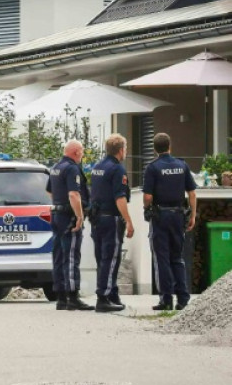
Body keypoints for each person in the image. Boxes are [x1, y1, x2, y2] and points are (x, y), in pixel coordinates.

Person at [143, 132, 197, 311]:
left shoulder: (153, 167)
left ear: (154, 148)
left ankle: (166, 299)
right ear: (169, 146)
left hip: (160, 217)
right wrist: (193, 215)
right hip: (178, 215)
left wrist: (146, 209)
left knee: (161, 258)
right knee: (177, 257)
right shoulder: (182, 165)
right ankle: (183, 298)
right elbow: (192, 193)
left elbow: (148, 196)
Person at [47, 140, 95, 311]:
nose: (82, 154)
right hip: (69, 217)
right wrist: (79, 216)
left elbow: (49, 191)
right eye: (81, 151)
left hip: (57, 215)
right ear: (75, 152)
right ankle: (73, 297)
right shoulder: (72, 168)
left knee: (59, 256)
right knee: (72, 256)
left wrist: (58, 203)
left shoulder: (55, 168)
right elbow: (74, 194)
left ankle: (61, 298)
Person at [89, 134, 134, 313]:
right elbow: (120, 198)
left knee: (102, 257)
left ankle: (112, 294)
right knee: (111, 258)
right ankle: (103, 297)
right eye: (126, 149)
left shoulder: (97, 167)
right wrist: (129, 221)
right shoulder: (117, 169)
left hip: (97, 218)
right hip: (111, 219)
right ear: (121, 150)